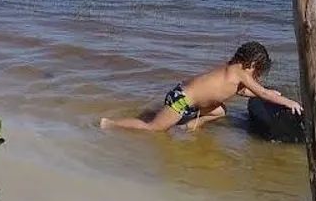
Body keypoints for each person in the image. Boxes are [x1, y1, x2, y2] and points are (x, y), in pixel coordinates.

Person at [99, 41, 302, 133]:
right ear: (252, 64)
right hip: (182, 99)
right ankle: (110, 124)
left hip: (188, 99)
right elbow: (261, 92)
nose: (256, 77)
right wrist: (288, 101)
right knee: (154, 129)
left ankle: (189, 126)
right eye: (258, 73)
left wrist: (269, 94)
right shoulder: (239, 71)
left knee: (220, 111)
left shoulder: (234, 73)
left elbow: (243, 91)